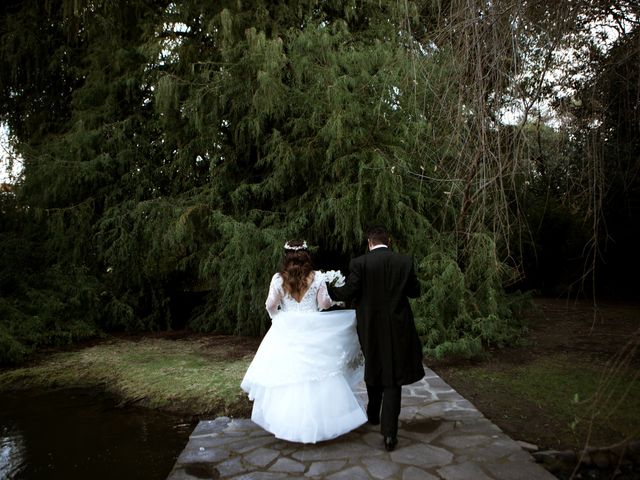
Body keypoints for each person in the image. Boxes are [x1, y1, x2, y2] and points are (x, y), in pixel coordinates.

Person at [240, 240, 367, 443]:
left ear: (286, 256)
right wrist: (326, 304)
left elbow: (270, 304)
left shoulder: (278, 279)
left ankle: (289, 425)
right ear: (306, 255)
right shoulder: (315, 277)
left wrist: (277, 317)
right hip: (314, 327)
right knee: (321, 374)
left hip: (287, 328)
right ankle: (323, 423)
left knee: (289, 375)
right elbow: (324, 303)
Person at [327, 225, 424, 451]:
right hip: (398, 328)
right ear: (388, 241)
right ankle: (389, 433)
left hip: (369, 327)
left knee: (374, 365)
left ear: (369, 243)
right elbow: (415, 291)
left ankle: (374, 415)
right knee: (393, 375)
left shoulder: (359, 263)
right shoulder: (404, 261)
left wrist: (327, 290)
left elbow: (349, 292)